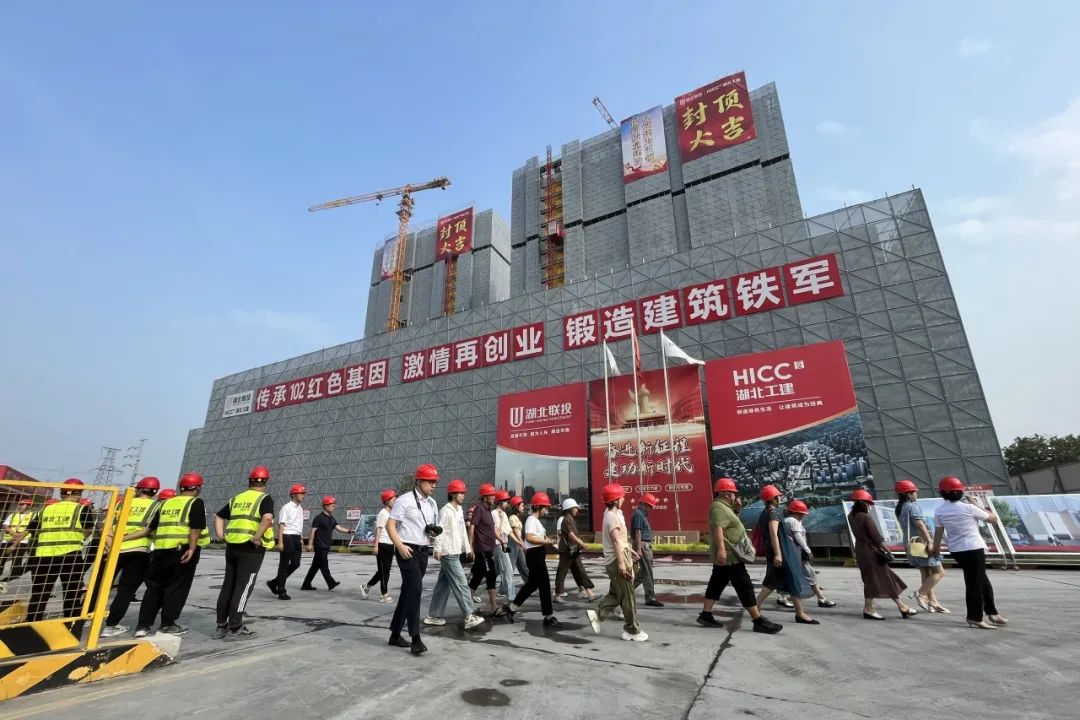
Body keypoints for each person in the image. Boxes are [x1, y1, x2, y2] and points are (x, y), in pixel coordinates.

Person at [697, 478, 782, 634]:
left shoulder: (725, 507)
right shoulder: (718, 507)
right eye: (733, 493)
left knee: (716, 584)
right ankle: (758, 621)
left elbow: (730, 524)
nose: (735, 496)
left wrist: (737, 509)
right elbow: (718, 529)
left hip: (728, 555)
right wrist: (721, 550)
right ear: (725, 493)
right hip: (730, 555)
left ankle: (706, 615)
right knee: (745, 586)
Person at [135, 471, 209, 636]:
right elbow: (195, 528)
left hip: (160, 551)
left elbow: (150, 529)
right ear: (197, 488)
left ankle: (143, 626)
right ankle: (168, 624)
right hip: (181, 551)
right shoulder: (195, 502)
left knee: (154, 589)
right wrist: (192, 548)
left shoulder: (165, 504)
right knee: (176, 588)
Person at [931, 476, 1007, 629]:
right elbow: (993, 519)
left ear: (943, 493)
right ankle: (974, 617)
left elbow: (939, 532)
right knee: (975, 583)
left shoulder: (939, 511)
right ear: (960, 492)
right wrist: (976, 504)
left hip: (957, 550)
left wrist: (935, 549)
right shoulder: (968, 508)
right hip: (973, 548)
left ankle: (992, 612)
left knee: (981, 580)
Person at [213, 465, 275, 641]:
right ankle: (236, 627)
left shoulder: (237, 498)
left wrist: (220, 535)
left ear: (250, 481)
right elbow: (268, 518)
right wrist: (257, 536)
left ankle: (221, 625)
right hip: (250, 548)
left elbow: (218, 516)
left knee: (229, 585)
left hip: (232, 545)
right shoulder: (264, 498)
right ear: (265, 482)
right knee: (243, 586)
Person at [386, 463, 441, 655]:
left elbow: (426, 528)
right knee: (416, 590)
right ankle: (415, 638)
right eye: (430, 482)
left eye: (435, 482)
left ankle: (395, 634)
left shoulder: (432, 503)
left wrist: (433, 533)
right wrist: (400, 546)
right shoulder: (405, 500)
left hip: (423, 551)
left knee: (408, 592)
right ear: (419, 481)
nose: (434, 485)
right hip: (407, 550)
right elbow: (390, 525)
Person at [100, 476, 163, 637]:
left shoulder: (121, 503)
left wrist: (112, 544)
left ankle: (87, 617)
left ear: (138, 489)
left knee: (100, 587)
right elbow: (147, 531)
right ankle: (111, 625)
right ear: (155, 492)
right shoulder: (157, 506)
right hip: (138, 551)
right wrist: (124, 539)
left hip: (114, 551)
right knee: (126, 591)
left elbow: (107, 527)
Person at [25, 479, 93, 622]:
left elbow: (32, 529)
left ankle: (32, 622)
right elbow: (87, 530)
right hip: (70, 554)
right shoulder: (82, 509)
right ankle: (71, 622)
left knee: (39, 593)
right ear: (78, 493)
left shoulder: (46, 509)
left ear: (62, 493)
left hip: (43, 555)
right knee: (71, 592)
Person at [586, 484, 646, 641]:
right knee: (628, 596)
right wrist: (621, 564)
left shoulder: (612, 513)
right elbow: (616, 542)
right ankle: (632, 630)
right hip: (617, 560)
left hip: (619, 557)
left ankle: (597, 615)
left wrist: (630, 550)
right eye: (621, 497)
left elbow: (621, 540)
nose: (624, 499)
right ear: (615, 500)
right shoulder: (612, 518)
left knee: (615, 594)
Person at [754, 485, 819, 625]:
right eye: (778, 496)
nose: (780, 498)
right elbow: (773, 534)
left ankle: (757, 607)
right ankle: (800, 614)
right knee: (790, 578)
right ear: (773, 498)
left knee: (774, 581)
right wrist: (778, 554)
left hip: (774, 550)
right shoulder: (772, 513)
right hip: (780, 551)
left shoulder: (764, 513)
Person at [848, 489, 915, 621]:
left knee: (884, 578)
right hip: (871, 552)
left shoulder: (851, 516)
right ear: (863, 503)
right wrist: (889, 552)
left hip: (861, 550)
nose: (870, 506)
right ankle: (868, 609)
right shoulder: (865, 517)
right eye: (868, 503)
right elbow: (877, 538)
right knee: (873, 580)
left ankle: (902, 607)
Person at [424, 479, 484, 629]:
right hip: (448, 552)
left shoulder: (459, 510)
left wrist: (468, 549)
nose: (463, 495)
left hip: (455, 551)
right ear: (453, 494)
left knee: (443, 585)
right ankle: (469, 616)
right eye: (460, 493)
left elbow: (463, 531)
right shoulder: (446, 510)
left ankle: (433, 616)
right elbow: (439, 530)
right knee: (462, 583)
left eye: (463, 493)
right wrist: (437, 549)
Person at [498, 492, 562, 628]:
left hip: (537, 555)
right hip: (535, 556)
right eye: (545, 506)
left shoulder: (536, 521)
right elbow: (529, 537)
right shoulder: (531, 520)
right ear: (538, 506)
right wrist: (546, 541)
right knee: (544, 585)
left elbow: (536, 537)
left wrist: (548, 541)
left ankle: (511, 609)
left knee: (531, 585)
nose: (547, 509)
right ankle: (548, 617)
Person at [895, 479, 948, 613]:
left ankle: (932, 603)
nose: (916, 494)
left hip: (910, 544)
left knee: (925, 572)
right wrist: (929, 542)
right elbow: (919, 525)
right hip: (921, 543)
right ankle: (920, 594)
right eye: (914, 492)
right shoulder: (913, 506)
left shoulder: (899, 508)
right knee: (939, 572)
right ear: (908, 494)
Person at [781, 499, 835, 608]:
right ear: (798, 513)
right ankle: (821, 598)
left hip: (791, 554)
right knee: (810, 575)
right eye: (803, 514)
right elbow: (798, 536)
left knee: (791, 576)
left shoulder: (785, 521)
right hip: (799, 553)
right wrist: (807, 550)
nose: (804, 516)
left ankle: (783, 597)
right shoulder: (794, 521)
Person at [300, 496, 352, 590]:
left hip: (326, 545)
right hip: (320, 545)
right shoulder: (319, 518)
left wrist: (349, 531)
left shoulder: (331, 518)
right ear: (326, 506)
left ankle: (306, 584)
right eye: (332, 505)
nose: (334, 507)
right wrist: (310, 544)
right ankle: (331, 583)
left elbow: (338, 528)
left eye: (334, 505)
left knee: (315, 566)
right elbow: (313, 531)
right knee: (324, 565)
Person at [268, 483, 306, 600]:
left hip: (296, 537)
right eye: (301, 493)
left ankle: (274, 582)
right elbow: (281, 526)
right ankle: (281, 591)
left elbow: (299, 525)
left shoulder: (300, 508)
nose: (303, 495)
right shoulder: (286, 508)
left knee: (296, 564)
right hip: (287, 536)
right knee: (284, 564)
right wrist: (280, 542)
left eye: (303, 493)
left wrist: (301, 538)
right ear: (293, 495)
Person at [554, 498, 597, 602]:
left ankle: (589, 592)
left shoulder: (570, 519)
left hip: (573, 550)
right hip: (567, 550)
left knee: (580, 570)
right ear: (569, 509)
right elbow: (571, 535)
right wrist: (582, 544)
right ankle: (557, 595)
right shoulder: (566, 520)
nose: (577, 509)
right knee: (562, 572)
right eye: (575, 508)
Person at [467, 483, 500, 615]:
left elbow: (492, 529)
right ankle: (494, 607)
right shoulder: (479, 509)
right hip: (482, 549)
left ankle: (468, 600)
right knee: (491, 574)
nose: (494, 497)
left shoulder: (488, 510)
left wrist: (502, 541)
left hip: (489, 549)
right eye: (492, 495)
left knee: (479, 575)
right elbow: (472, 527)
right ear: (485, 497)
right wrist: (470, 547)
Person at [362, 489, 397, 602]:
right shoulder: (383, 513)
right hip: (382, 544)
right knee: (384, 572)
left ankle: (366, 586)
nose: (395, 501)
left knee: (384, 571)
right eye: (393, 499)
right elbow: (378, 529)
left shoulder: (392, 514)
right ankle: (384, 595)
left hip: (390, 544)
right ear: (386, 501)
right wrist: (376, 545)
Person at [632, 493, 664, 607]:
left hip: (644, 545)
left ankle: (627, 589)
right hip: (643, 545)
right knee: (648, 571)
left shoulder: (641, 514)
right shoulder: (639, 514)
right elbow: (638, 532)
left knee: (644, 571)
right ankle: (650, 597)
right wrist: (639, 549)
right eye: (650, 506)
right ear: (645, 504)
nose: (651, 508)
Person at [1, 499, 35, 581]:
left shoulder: (33, 516)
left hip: (22, 541)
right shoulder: (13, 515)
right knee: (2, 558)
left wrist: (19, 536)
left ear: (29, 506)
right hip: (8, 540)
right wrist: (13, 534)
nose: (19, 506)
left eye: (22, 505)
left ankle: (12, 577)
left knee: (17, 560)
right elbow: (6, 526)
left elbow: (30, 529)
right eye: (19, 504)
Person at [493, 490, 516, 599]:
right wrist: (501, 519)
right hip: (498, 545)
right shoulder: (494, 513)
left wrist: (518, 541)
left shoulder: (504, 513)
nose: (507, 503)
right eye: (505, 501)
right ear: (499, 501)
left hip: (504, 544)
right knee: (508, 570)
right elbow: (496, 530)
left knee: (497, 570)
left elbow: (509, 530)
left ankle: (474, 584)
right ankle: (511, 596)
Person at [507, 496, 529, 585]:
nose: (523, 507)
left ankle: (531, 584)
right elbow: (516, 532)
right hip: (512, 544)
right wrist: (522, 543)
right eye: (522, 505)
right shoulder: (513, 517)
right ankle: (503, 588)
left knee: (523, 565)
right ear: (516, 506)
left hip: (517, 544)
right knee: (510, 567)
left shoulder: (517, 517)